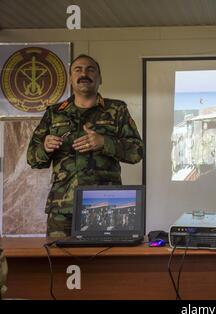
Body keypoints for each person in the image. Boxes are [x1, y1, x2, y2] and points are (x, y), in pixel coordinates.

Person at [27, 54, 143, 237]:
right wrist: (45, 148)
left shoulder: (116, 110)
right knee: (59, 261)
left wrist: (105, 143)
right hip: (62, 207)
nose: (84, 74)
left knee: (105, 262)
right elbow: (33, 158)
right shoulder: (54, 113)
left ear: (100, 78)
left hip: (105, 204)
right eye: (78, 70)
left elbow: (137, 152)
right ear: (70, 78)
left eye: (90, 69)